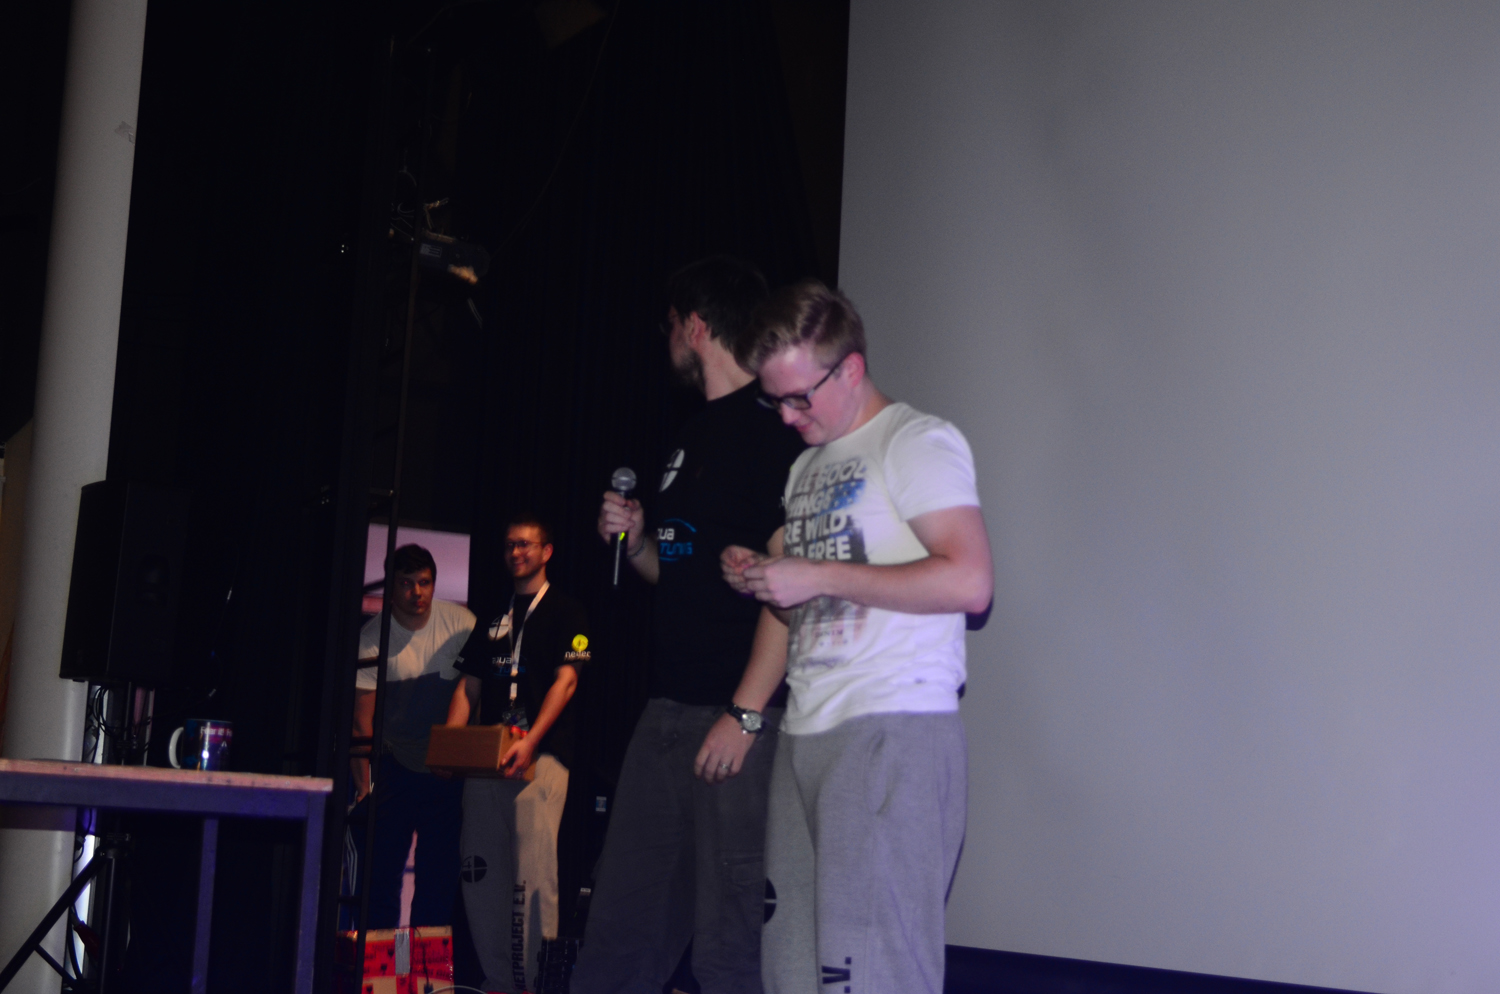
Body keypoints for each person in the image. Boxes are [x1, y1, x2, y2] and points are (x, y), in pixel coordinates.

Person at [721, 280, 994, 994]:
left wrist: (815, 574)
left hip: (890, 727)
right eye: (775, 401)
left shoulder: (915, 441)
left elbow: (970, 582)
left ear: (850, 368)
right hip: (806, 732)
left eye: (799, 397)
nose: (788, 416)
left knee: (870, 972)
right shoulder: (805, 467)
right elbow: (817, 604)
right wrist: (768, 581)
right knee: (792, 969)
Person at [570, 256, 804, 994]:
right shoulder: (689, 437)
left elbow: (789, 583)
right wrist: (638, 540)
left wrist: (746, 712)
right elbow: (674, 569)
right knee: (617, 939)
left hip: (737, 721)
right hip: (666, 714)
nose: (666, 337)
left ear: (696, 327)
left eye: (671, 324)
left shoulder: (772, 432)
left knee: (730, 951)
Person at [447, 514, 590, 994]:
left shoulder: (566, 611)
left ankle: (536, 984)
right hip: (487, 759)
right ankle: (498, 982)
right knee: (480, 870)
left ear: (546, 552)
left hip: (539, 758)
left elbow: (566, 682)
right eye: (510, 545)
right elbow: (469, 685)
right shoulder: (493, 616)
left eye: (526, 545)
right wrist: (453, 744)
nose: (516, 553)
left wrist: (531, 740)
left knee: (532, 876)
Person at [353, 543, 476, 929]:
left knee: (438, 880)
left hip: (446, 771)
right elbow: (361, 725)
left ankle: (428, 965)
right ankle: (380, 962)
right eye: (406, 583)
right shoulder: (371, 640)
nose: (417, 592)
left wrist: (457, 756)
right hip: (395, 766)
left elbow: (478, 691)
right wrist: (365, 788)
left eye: (424, 582)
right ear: (391, 587)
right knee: (381, 878)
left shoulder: (462, 625)